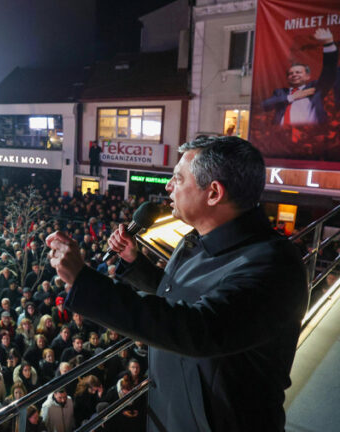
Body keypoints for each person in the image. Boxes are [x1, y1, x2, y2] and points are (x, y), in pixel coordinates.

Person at [47, 135, 309, 431]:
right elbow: (182, 296)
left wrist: (84, 280)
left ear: (214, 193)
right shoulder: (198, 239)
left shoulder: (272, 266)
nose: (168, 187)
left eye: (177, 178)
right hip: (173, 414)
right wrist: (135, 263)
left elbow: (201, 327)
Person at [262, 28, 337, 126]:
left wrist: (328, 43)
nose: (294, 75)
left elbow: (329, 71)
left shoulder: (315, 88)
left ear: (307, 76)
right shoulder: (280, 92)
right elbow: (265, 105)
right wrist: (292, 97)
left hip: (309, 137)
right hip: (281, 136)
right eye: (291, 73)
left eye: (298, 72)